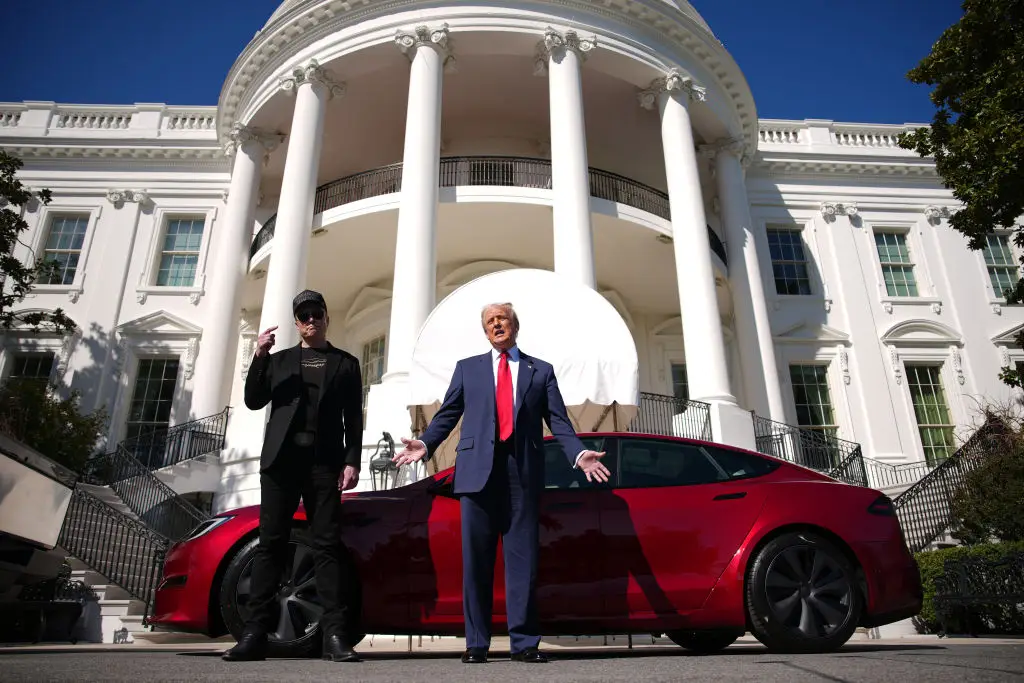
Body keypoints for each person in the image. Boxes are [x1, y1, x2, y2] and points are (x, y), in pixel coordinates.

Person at [392, 302, 610, 664]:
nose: (497, 325)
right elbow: (448, 414)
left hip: (521, 474)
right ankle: (476, 643)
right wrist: (427, 443)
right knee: (475, 561)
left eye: (502, 319)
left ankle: (524, 643)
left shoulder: (541, 371)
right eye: (490, 321)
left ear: (515, 326)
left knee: (522, 562)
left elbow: (558, 421)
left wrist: (577, 453)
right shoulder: (468, 369)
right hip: (476, 473)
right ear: (485, 331)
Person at [222, 289, 364, 663]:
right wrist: (260, 355)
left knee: (327, 546)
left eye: (316, 313)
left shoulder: (346, 363)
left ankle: (335, 636)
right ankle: (254, 634)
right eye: (303, 316)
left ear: (326, 317)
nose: (311, 320)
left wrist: (352, 461)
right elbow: (254, 399)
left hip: (324, 464)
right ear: (297, 323)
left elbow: (354, 418)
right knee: (271, 544)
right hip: (281, 464)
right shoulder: (280, 361)